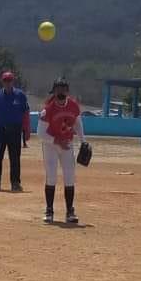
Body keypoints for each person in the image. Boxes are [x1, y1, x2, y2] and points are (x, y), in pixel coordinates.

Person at [37, 76, 86, 224]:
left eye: (63, 90)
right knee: (51, 176)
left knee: (69, 177)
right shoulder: (48, 109)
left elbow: (77, 123)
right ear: (53, 92)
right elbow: (40, 134)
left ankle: (70, 211)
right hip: (50, 145)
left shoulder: (73, 106)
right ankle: (49, 210)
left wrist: (83, 140)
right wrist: (57, 141)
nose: (60, 94)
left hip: (67, 143)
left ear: (67, 91)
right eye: (58, 91)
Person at [0, 70, 31, 193]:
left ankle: (15, 184)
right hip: (0, 130)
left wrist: (27, 130)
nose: (7, 83)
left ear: (13, 81)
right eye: (5, 80)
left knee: (15, 158)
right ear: (2, 81)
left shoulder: (20, 96)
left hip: (15, 130)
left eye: (9, 80)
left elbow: (25, 114)